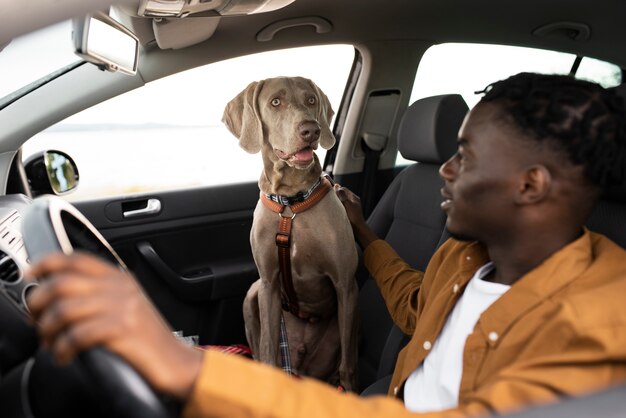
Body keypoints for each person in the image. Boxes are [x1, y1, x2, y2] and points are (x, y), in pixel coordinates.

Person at [26, 72, 626, 418]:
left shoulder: (600, 320)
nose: (443, 170)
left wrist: (190, 368)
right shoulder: (468, 257)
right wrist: (365, 234)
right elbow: (417, 303)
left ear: (531, 184)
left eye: (463, 157)